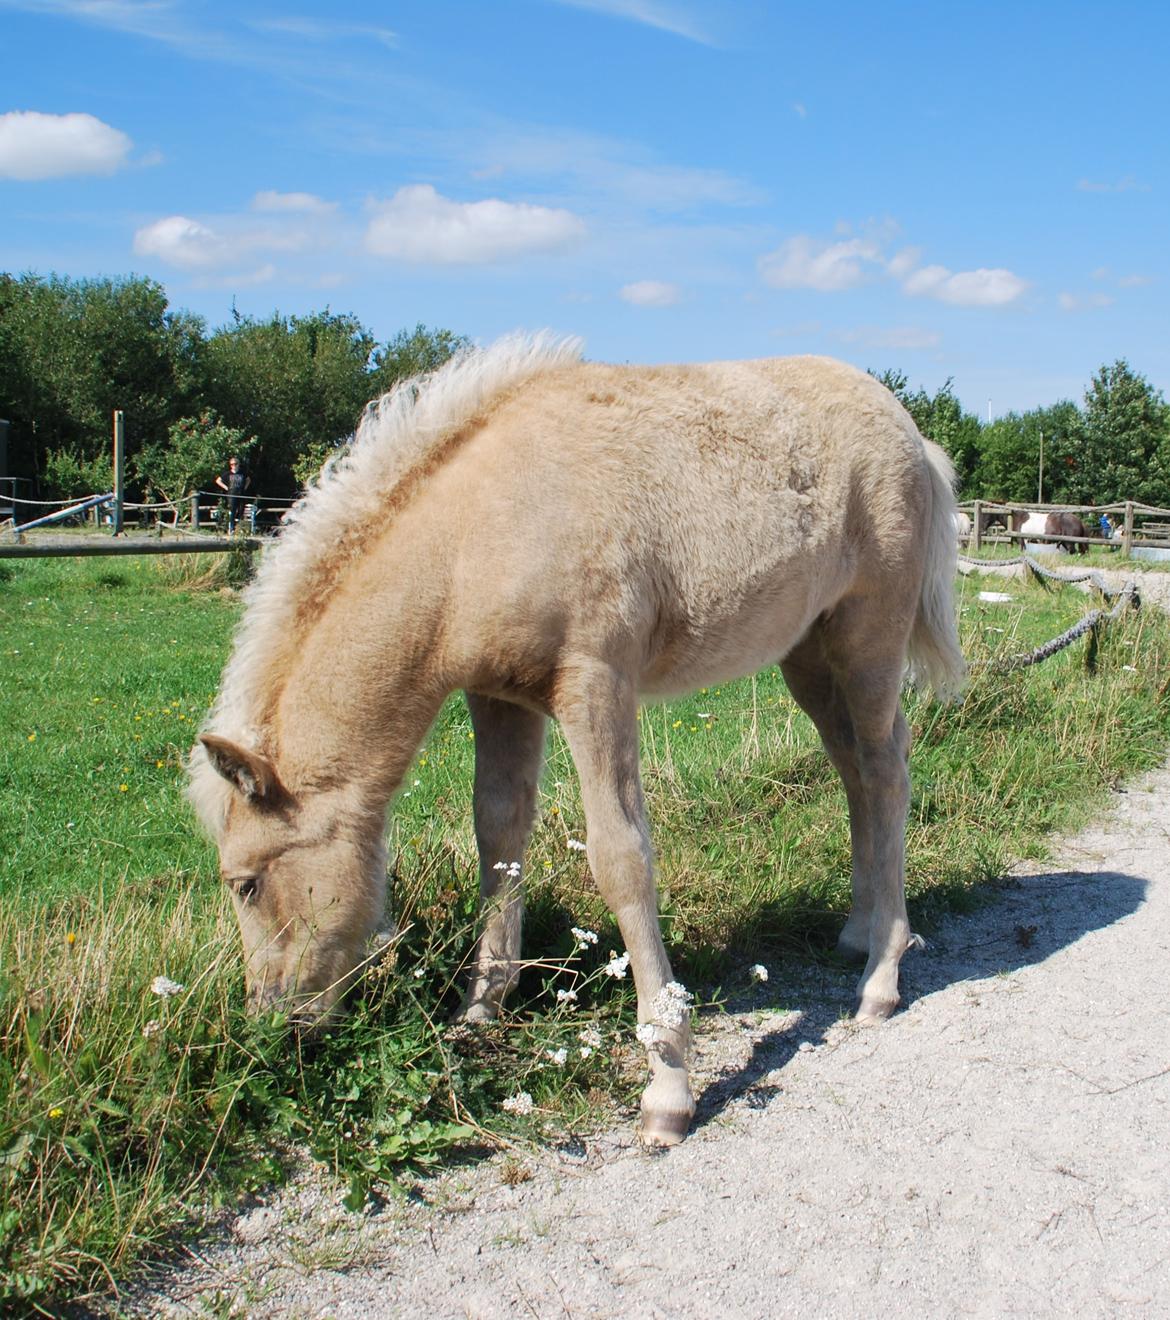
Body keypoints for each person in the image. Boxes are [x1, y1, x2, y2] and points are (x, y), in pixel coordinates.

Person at [215, 456, 248, 532]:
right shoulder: (227, 474)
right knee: (232, 510)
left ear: (238, 464)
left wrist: (245, 487)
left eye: (235, 464)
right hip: (231, 494)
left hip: (241, 494)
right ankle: (231, 528)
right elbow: (218, 481)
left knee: (241, 510)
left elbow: (248, 480)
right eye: (232, 464)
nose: (234, 466)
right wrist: (226, 488)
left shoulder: (242, 473)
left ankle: (240, 528)